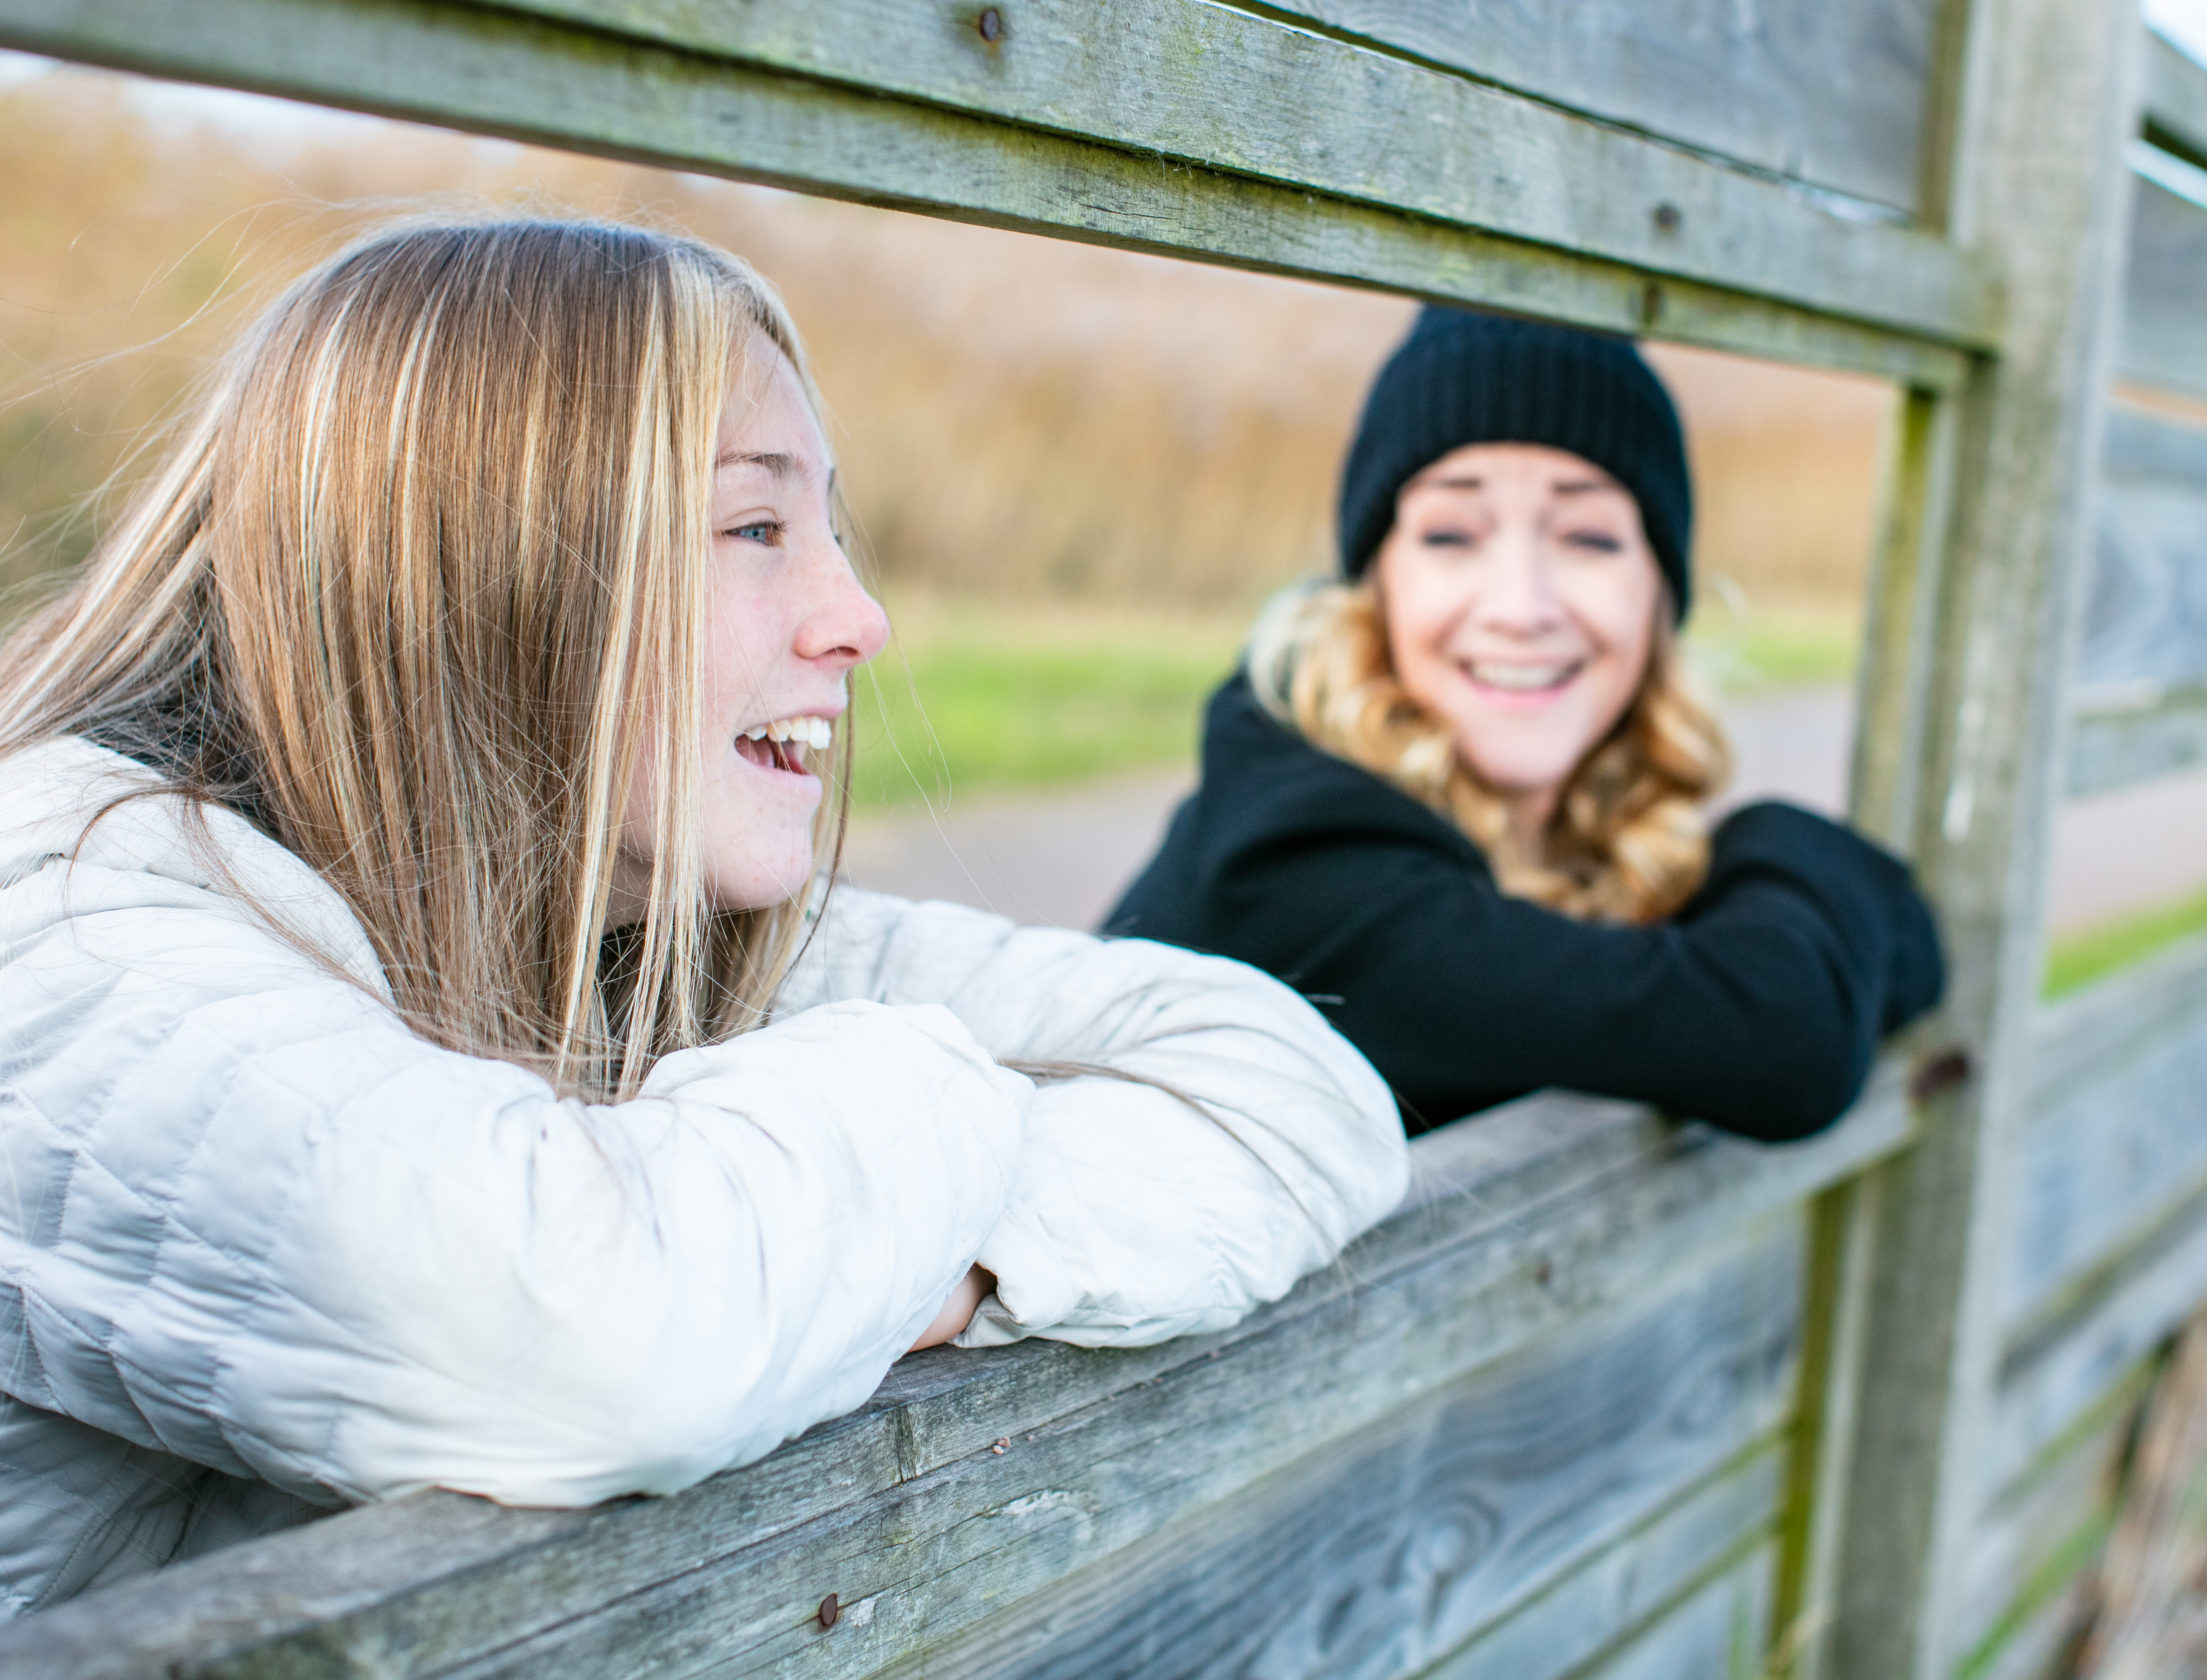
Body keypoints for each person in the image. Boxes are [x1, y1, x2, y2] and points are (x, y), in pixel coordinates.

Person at [0, 219, 1406, 1617]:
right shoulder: (62, 917)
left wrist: (933, 1261)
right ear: (480, 564)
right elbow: (588, 1340)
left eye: (831, 529)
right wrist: (911, 1124)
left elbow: (1289, 1085)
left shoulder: (631, 912)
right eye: (754, 524)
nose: (858, 616)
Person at [1109, 306, 1944, 1136]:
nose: (1521, 607)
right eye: (1450, 534)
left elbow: (1911, 958)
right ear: (1376, 588)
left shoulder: (1577, 845)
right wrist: (1778, 839)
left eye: (1587, 537)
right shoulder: (1291, 861)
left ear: (1660, 594)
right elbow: (1784, 1036)